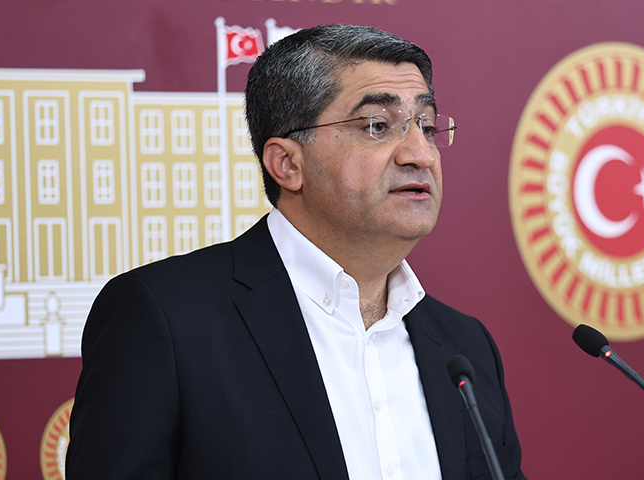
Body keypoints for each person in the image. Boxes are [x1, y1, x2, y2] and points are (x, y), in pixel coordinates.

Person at [67, 24, 526, 479]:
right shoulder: (165, 321)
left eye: (426, 126)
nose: (420, 154)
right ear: (287, 164)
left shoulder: (465, 348)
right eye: (377, 125)